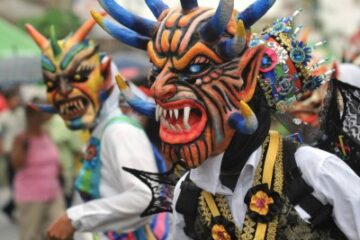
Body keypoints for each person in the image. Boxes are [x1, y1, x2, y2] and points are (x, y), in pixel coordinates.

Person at [93, 0, 360, 239]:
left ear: (245, 77)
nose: (160, 88)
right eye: (157, 70)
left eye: (195, 68)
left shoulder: (313, 172)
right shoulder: (186, 197)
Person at [26, 17, 168, 239]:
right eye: (53, 83)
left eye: (78, 77)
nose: (63, 91)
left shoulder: (120, 131)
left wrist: (75, 218)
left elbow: (147, 196)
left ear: (103, 76)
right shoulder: (101, 130)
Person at [12, 100, 65, 240]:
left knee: (58, 232)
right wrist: (24, 147)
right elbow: (16, 164)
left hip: (53, 192)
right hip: (31, 196)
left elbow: (55, 159)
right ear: (31, 116)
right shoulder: (21, 139)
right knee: (30, 235)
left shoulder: (46, 134)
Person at [0, 86, 25, 221]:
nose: (14, 102)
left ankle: (11, 207)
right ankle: (11, 207)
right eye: (12, 99)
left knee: (23, 181)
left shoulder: (22, 113)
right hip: (10, 154)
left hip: (24, 151)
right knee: (14, 182)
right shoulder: (3, 117)